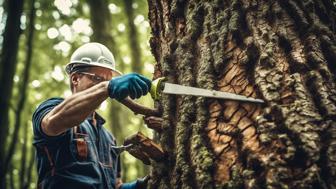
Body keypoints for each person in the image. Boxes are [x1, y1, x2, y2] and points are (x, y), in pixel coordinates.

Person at [32, 42, 151, 189]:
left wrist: (138, 186)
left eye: (109, 80)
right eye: (98, 78)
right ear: (75, 78)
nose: (104, 84)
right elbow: (52, 123)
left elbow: (115, 185)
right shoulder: (51, 109)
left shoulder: (108, 137)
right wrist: (108, 87)